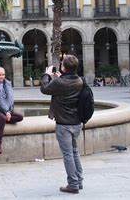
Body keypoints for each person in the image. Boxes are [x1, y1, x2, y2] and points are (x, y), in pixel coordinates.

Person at [40, 55, 84, 194]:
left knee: (68, 155)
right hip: (76, 122)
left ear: (63, 67)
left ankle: (73, 184)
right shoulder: (79, 81)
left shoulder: (60, 82)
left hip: (64, 123)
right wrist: (60, 76)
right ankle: (79, 180)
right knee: (75, 152)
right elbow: (65, 84)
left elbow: (44, 89)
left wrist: (46, 75)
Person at [0, 67, 23, 154]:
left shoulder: (7, 84)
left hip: (7, 108)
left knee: (20, 117)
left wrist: (9, 111)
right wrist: (6, 112)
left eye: (3, 74)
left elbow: (10, 99)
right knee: (2, 118)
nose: (2, 77)